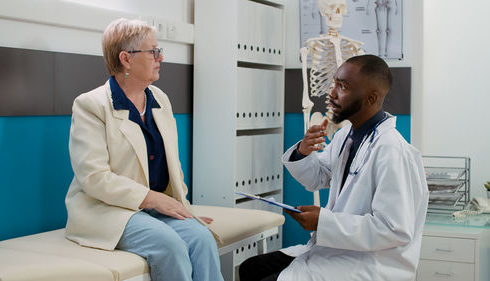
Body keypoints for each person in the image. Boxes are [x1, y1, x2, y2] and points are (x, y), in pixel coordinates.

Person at [239, 55, 428, 281]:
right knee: (250, 268)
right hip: (337, 250)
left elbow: (393, 229)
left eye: (343, 87)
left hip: (370, 264)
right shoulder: (346, 137)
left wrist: (324, 221)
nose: (332, 93)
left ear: (371, 98)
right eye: (334, 83)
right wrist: (304, 151)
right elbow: (317, 178)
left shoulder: (393, 152)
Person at [64, 18, 224, 281]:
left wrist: (184, 209)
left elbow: (172, 166)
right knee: (169, 245)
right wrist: (153, 198)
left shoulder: (160, 99)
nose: (160, 57)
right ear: (126, 59)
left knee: (201, 238)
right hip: (108, 211)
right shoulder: (91, 105)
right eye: (153, 51)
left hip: (153, 209)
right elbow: (93, 178)